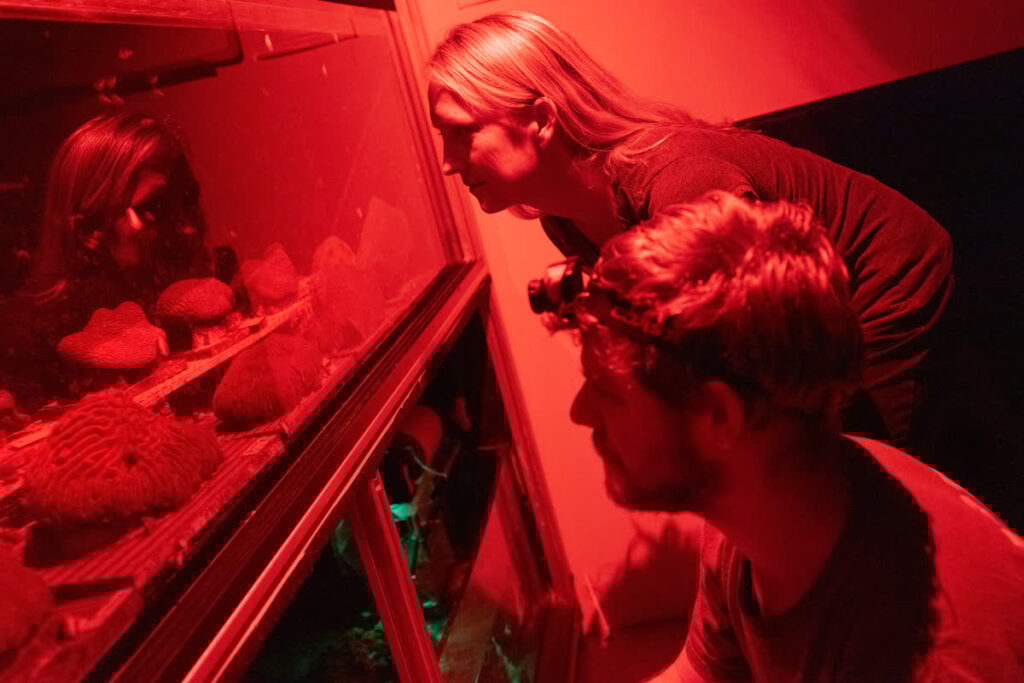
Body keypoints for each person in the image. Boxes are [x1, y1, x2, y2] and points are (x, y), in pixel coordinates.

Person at [427, 10, 953, 452]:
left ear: (541, 119)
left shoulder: (678, 180)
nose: (448, 164)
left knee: (853, 464)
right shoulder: (563, 219)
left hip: (880, 275)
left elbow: (759, 323)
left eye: (462, 132)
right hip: (805, 307)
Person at [551, 192, 1023, 682]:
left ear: (718, 416)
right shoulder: (761, 500)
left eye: (605, 391)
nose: (579, 412)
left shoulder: (929, 662)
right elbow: (701, 675)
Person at [0, 112, 211, 413]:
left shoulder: (169, 293)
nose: (187, 226)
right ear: (89, 230)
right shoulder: (28, 345)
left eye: (188, 199)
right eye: (157, 207)